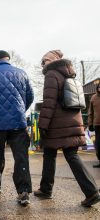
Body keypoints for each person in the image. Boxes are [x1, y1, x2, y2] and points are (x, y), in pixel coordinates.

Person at [34, 50, 100, 207]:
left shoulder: (51, 74)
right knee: (56, 155)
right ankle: (46, 189)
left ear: (53, 61)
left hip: (57, 124)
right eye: (42, 62)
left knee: (63, 155)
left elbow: (49, 102)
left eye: (45, 61)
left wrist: (42, 125)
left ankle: (91, 192)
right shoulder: (68, 74)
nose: (43, 64)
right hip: (71, 120)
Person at [0, 50, 34, 206]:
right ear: (8, 59)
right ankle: (23, 192)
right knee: (21, 157)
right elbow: (30, 96)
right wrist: (20, 111)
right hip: (18, 123)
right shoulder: (22, 73)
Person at [88, 83, 100, 168]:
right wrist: (90, 124)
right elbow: (90, 112)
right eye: (99, 86)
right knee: (98, 144)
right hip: (97, 125)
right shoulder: (93, 98)